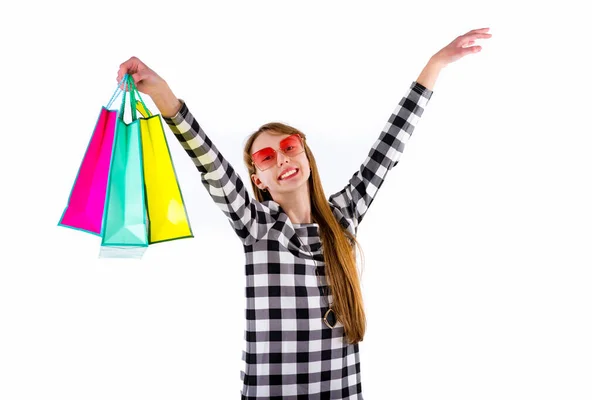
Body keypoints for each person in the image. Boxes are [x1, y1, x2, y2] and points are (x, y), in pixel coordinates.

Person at [117, 27, 492, 399]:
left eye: (289, 146)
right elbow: (208, 162)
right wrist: (163, 95)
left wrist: (435, 64)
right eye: (266, 158)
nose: (281, 159)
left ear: (305, 155)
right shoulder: (258, 227)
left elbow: (389, 147)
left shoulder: (343, 215)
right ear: (258, 179)